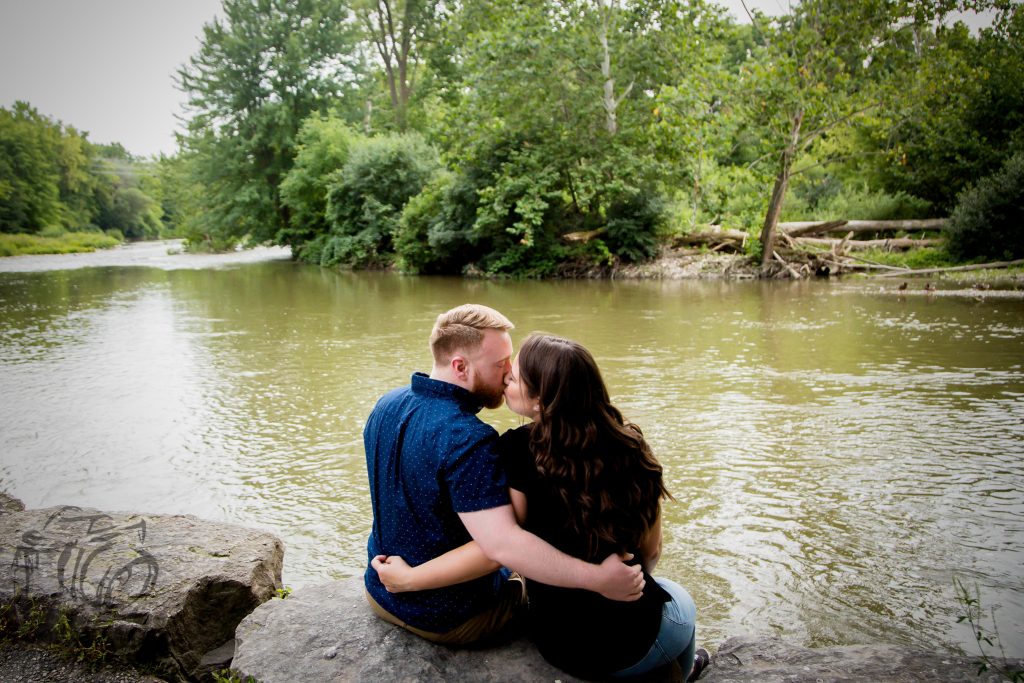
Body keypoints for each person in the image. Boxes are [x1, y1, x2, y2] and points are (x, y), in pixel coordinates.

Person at [373, 332, 710, 680]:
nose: (506, 378)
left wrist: (411, 578)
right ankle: (685, 674)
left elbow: (504, 543)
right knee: (677, 599)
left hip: (557, 645)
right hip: (628, 641)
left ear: (542, 402)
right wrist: (623, 584)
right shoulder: (633, 448)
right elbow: (651, 552)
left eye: (515, 377)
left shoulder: (515, 451)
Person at [364, 305, 645, 647]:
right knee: (537, 575)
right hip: (449, 617)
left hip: (378, 593)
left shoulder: (385, 404)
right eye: (501, 365)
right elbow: (500, 549)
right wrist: (599, 578)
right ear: (460, 367)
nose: (511, 373)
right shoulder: (468, 438)